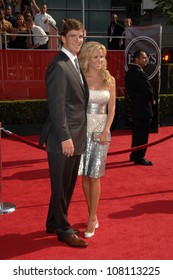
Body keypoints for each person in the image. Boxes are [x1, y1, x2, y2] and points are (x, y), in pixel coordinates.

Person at [39, 18, 89, 248]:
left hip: (75, 135)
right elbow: (57, 107)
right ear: (62, 39)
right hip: (64, 139)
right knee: (61, 186)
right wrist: (65, 137)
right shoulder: (58, 66)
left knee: (66, 185)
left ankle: (52, 222)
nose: (78, 40)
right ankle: (62, 228)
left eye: (81, 36)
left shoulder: (74, 62)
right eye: (73, 36)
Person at [78, 41, 116, 238]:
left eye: (102, 56)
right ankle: (91, 212)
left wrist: (105, 131)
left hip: (101, 131)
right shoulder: (80, 78)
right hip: (82, 131)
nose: (100, 60)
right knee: (84, 175)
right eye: (95, 56)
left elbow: (112, 110)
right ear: (87, 58)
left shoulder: (110, 79)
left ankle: (92, 218)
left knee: (95, 175)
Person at [125, 50, 155, 166]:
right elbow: (148, 90)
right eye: (144, 58)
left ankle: (134, 155)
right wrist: (152, 99)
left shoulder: (129, 72)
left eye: (146, 58)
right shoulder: (139, 72)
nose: (146, 60)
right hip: (143, 109)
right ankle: (139, 157)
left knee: (137, 133)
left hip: (135, 107)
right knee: (142, 134)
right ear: (136, 59)